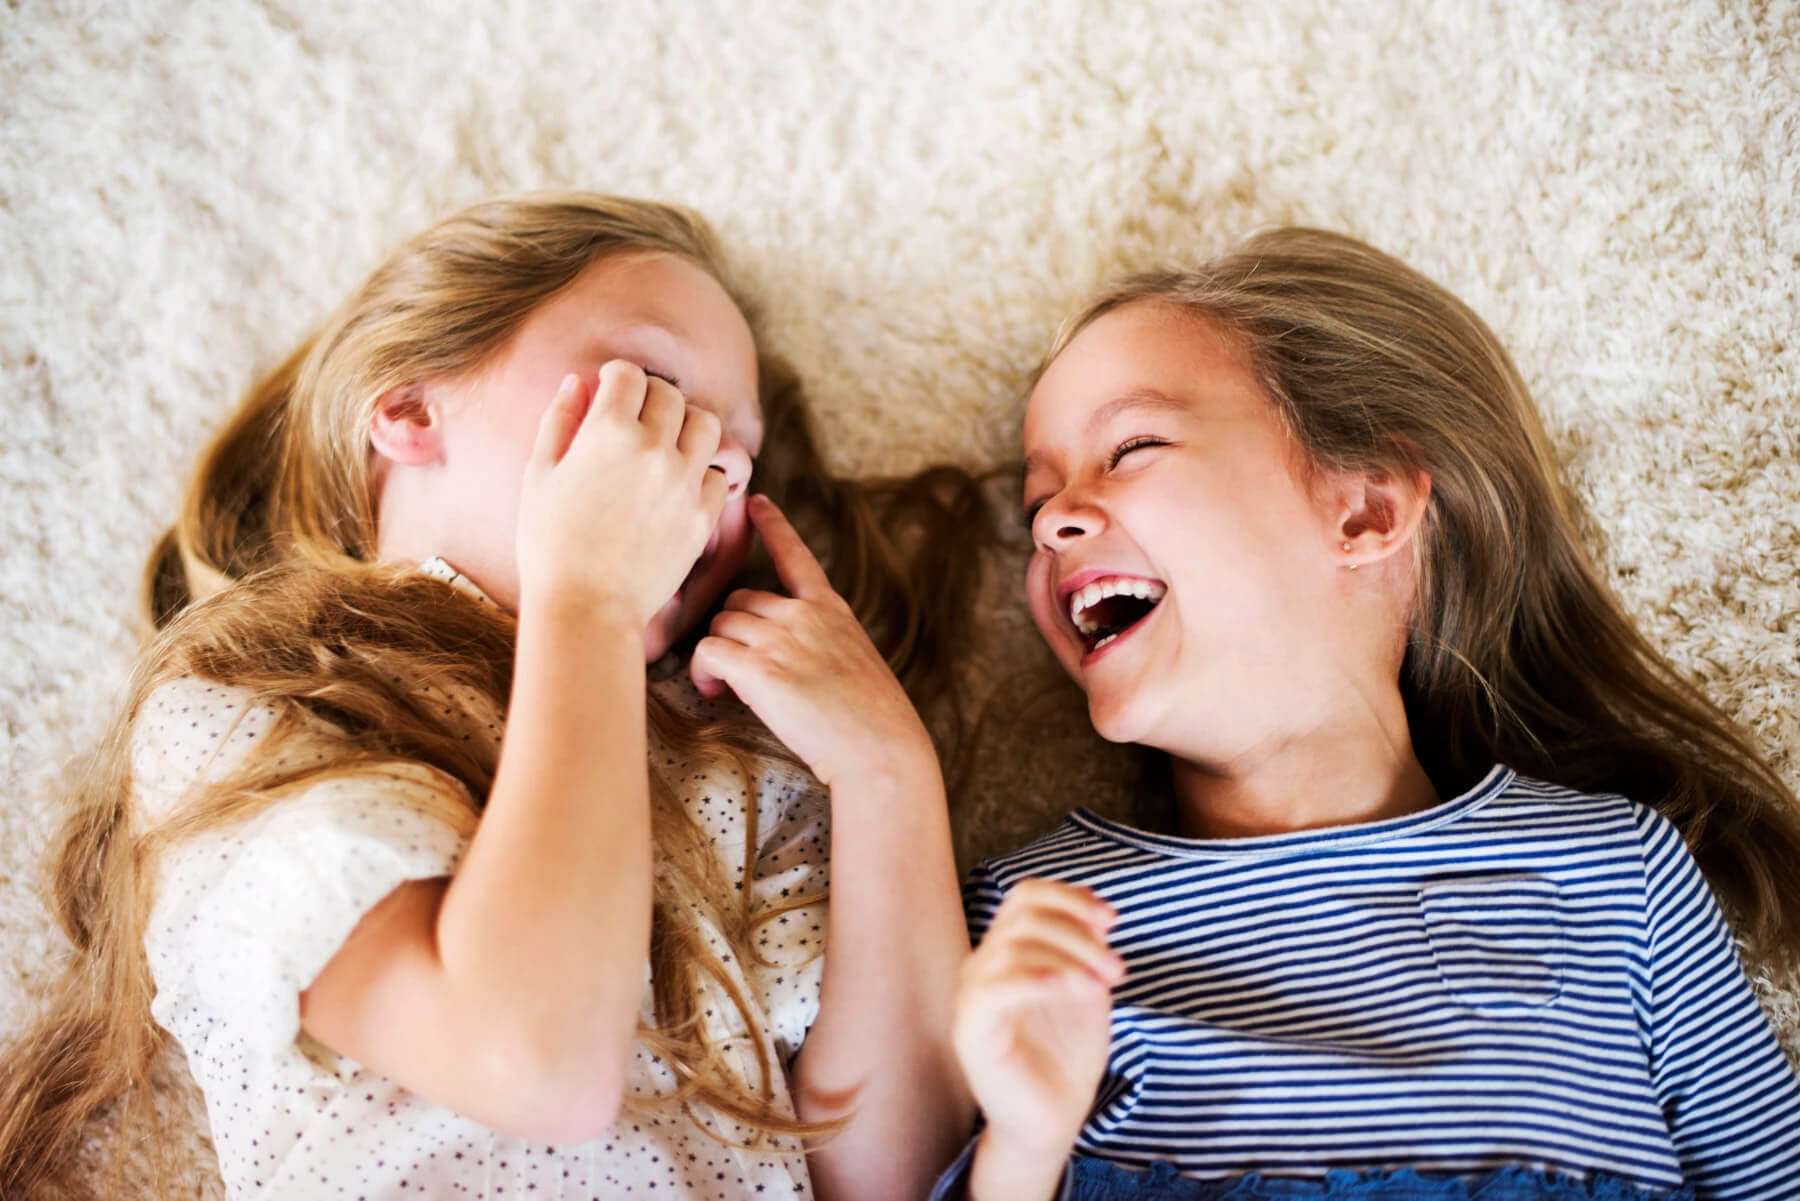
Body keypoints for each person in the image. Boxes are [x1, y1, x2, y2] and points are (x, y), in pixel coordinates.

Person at [0, 192, 979, 1201]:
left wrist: (887, 774)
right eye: (651, 389)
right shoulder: (264, 701)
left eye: (741, 454)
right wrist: (589, 594)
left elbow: (893, 1178)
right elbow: (534, 1060)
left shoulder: (732, 771)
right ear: (410, 409)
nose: (716, 467)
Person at [936, 227, 1800, 1201]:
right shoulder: (1027, 921)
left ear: (1365, 513)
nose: (1050, 520)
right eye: (1037, 498)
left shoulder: (1614, 876)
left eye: (1130, 447)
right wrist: (1021, 1147)